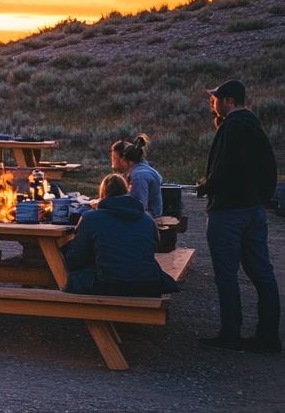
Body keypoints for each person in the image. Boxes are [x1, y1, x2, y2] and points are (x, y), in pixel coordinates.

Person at [197, 79, 279, 353]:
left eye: (216, 99)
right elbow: (269, 167)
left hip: (228, 212)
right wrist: (261, 198)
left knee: (227, 274)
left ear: (229, 100)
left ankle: (230, 333)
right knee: (262, 273)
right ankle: (268, 337)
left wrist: (208, 186)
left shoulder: (232, 127)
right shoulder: (253, 126)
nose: (214, 104)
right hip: (253, 210)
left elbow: (225, 168)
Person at [64, 174, 179, 297]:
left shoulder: (91, 217)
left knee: (73, 276)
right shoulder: (147, 219)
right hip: (148, 282)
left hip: (110, 283)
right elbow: (153, 248)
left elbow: (76, 258)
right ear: (126, 191)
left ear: (102, 194)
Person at [118, 133, 163, 218]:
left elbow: (138, 207)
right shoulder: (146, 169)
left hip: (148, 218)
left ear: (128, 161)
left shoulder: (138, 177)